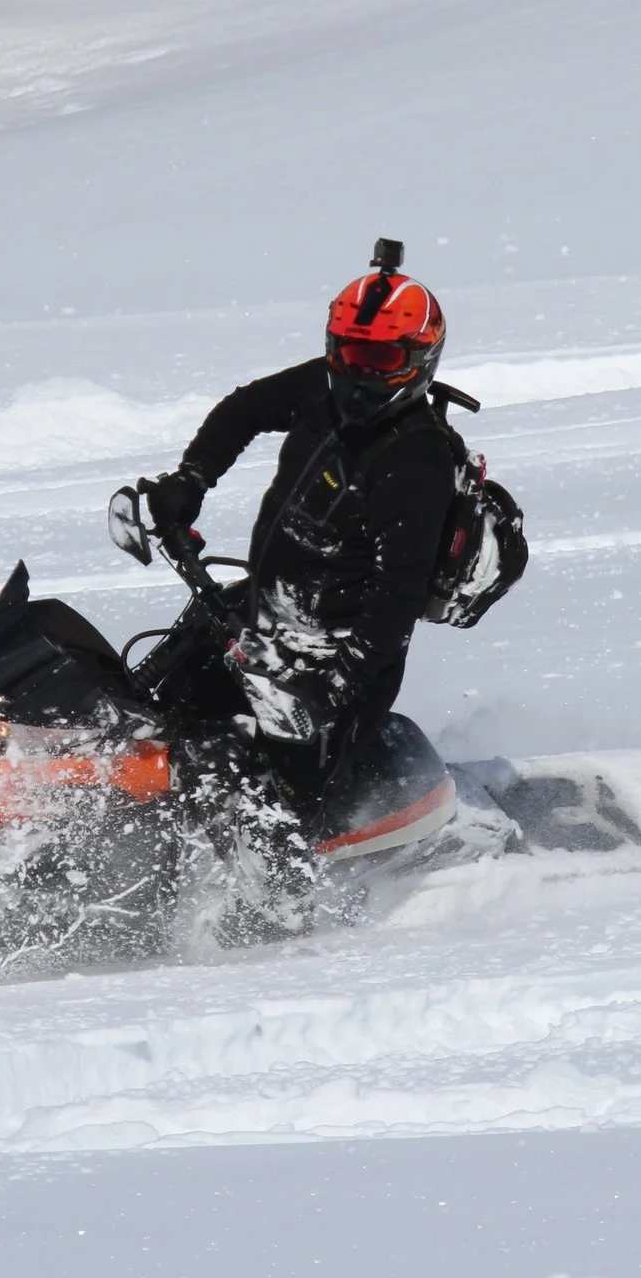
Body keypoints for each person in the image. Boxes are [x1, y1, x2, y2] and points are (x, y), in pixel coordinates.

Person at [138, 239, 456, 846]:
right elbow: (244, 410)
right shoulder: (325, 388)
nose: (361, 376)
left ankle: (286, 897)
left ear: (418, 360)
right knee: (160, 712)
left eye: (380, 359)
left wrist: (337, 683)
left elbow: (400, 593)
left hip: (337, 654)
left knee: (281, 818)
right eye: (349, 353)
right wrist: (191, 480)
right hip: (263, 608)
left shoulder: (414, 459)